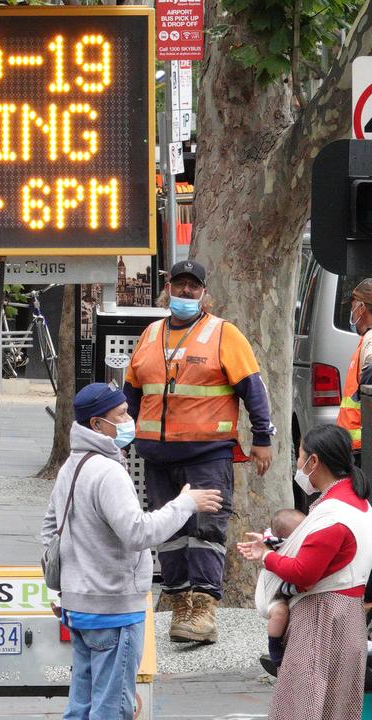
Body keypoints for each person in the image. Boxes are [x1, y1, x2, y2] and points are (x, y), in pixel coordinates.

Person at [42, 383, 221, 720]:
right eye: (121, 414)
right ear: (97, 424)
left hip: (79, 606)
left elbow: (49, 530)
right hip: (113, 610)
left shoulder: (73, 465)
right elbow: (138, 532)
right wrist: (185, 504)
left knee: (81, 705)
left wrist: (59, 587)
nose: (129, 419)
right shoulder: (108, 472)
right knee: (113, 708)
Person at [124, 259, 274, 643]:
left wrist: (262, 438)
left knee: (206, 530)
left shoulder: (224, 334)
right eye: (179, 285)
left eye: (193, 287)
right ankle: (179, 607)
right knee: (169, 532)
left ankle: (204, 610)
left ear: (204, 293)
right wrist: (121, 438)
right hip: (157, 456)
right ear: (168, 288)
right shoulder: (150, 334)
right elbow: (132, 393)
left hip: (207, 453)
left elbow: (253, 389)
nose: (186, 292)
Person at [237, 424, 372, 720]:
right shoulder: (357, 503)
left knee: (302, 706)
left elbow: (303, 573)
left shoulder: (334, 515)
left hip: (322, 619)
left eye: (300, 456)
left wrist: (266, 555)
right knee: (335, 707)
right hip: (347, 617)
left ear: (314, 462)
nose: (298, 464)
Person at [257, 507, 305, 673]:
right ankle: (275, 649)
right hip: (271, 596)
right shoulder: (276, 544)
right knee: (281, 613)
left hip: (283, 588)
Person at [337, 278, 372, 464]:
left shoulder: (371, 341)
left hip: (362, 449)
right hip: (358, 446)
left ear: (361, 307)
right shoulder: (366, 339)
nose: (351, 312)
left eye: (352, 307)